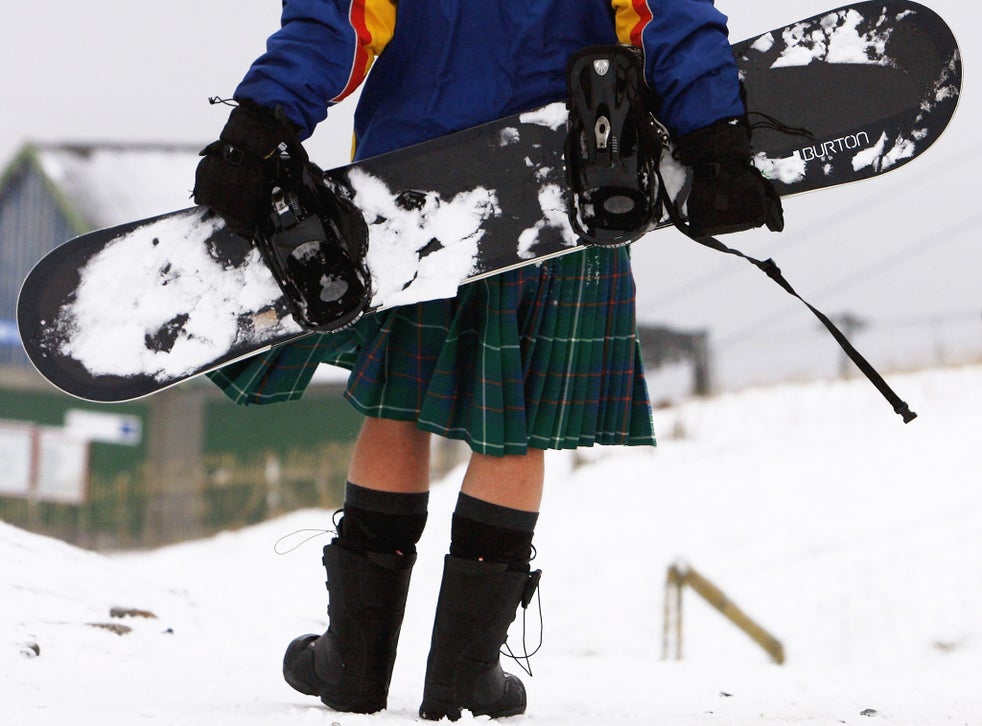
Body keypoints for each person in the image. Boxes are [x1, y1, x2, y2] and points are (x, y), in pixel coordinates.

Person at [193, 0, 782, 720]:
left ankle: (351, 662)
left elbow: (338, 22)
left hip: (416, 181)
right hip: (571, 176)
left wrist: (261, 123)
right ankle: (465, 679)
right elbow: (666, 15)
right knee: (519, 419)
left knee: (397, 406)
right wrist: (715, 137)